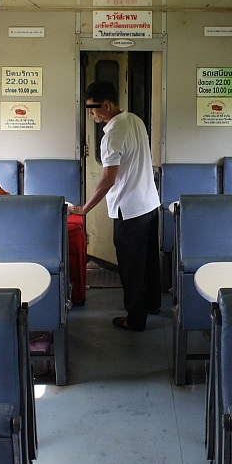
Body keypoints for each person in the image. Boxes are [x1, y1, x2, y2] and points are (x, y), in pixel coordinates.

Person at [69, 81, 161, 332]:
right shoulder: (135, 120)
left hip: (129, 210)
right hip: (150, 204)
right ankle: (153, 304)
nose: (91, 114)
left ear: (106, 105)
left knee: (131, 268)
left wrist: (84, 208)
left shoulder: (111, 135)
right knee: (149, 261)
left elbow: (108, 179)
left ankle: (135, 319)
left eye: (92, 108)